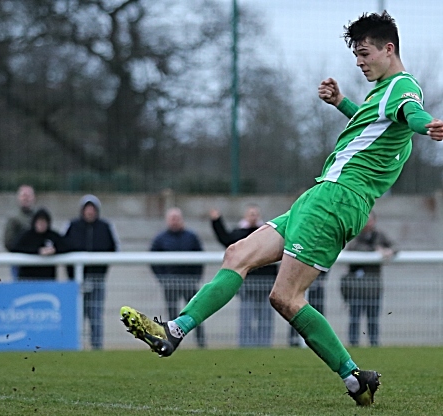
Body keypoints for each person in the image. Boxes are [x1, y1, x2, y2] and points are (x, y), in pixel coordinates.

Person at [120, 12, 443, 406]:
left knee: (286, 298)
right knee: (237, 254)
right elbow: (374, 126)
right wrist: (341, 102)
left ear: (388, 49)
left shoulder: (402, 87)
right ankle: (174, 330)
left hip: (337, 200)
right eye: (356, 55)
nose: (359, 62)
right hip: (321, 196)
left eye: (364, 53)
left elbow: (411, 113)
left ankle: (353, 377)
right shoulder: (382, 96)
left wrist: (427, 126)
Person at [210, 205, 277, 347]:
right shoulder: (240, 233)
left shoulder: (267, 232)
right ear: (246, 216)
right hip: (246, 282)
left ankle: (265, 345)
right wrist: (217, 221)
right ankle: (246, 344)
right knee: (246, 316)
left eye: (255, 214)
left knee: (265, 317)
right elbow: (226, 239)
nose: (253, 217)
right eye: (250, 214)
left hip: (266, 283)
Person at [63, 194, 119, 350]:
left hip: (97, 279)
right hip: (76, 281)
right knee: (76, 315)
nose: (90, 212)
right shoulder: (72, 226)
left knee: (95, 316)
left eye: (92, 209)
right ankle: (75, 346)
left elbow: (114, 249)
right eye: (87, 209)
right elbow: (64, 247)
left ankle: (96, 347)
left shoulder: (105, 227)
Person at [149, 208, 205, 347]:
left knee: (195, 314)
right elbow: (152, 259)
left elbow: (200, 257)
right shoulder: (160, 238)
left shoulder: (191, 237)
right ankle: (172, 344)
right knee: (172, 315)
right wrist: (163, 278)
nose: (174, 221)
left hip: (189, 282)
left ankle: (201, 344)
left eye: (177, 218)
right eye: (172, 218)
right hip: (170, 283)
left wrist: (195, 278)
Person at [341, 212, 394, 347]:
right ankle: (353, 344)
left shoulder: (380, 236)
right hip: (356, 287)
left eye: (369, 220)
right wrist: (374, 250)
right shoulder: (354, 235)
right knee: (354, 318)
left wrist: (389, 251)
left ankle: (374, 344)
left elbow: (394, 246)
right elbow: (352, 249)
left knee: (373, 319)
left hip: (373, 287)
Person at [11, 208, 68, 280]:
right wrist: (38, 251)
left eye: (44, 222)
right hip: (27, 278)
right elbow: (15, 248)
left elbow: (66, 246)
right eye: (39, 222)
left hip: (48, 279)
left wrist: (54, 250)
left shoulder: (53, 235)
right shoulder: (26, 235)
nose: (41, 225)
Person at [3, 185, 37, 280]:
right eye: (23, 195)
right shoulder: (14, 219)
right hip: (19, 262)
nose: (26, 198)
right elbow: (8, 242)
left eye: (28, 195)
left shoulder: (38, 218)